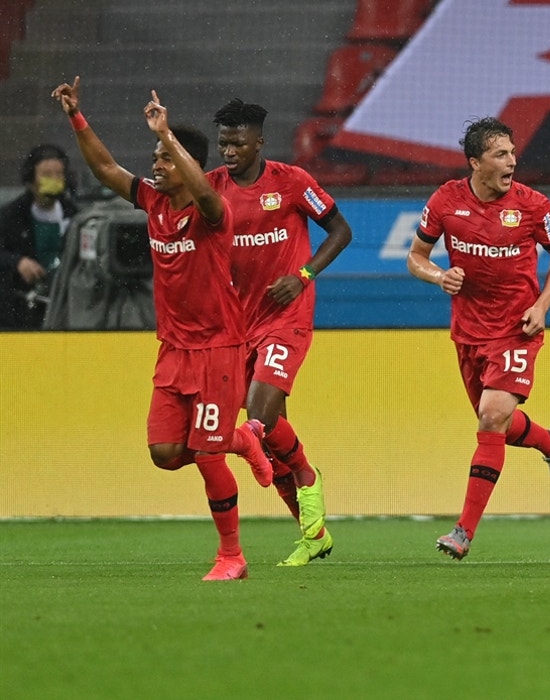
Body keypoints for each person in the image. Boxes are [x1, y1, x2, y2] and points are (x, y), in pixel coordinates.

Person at [52, 77, 272, 580]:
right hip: (174, 350)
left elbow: (202, 188)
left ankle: (231, 556)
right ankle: (243, 440)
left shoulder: (214, 210)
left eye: (165, 158)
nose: (155, 165)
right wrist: (76, 117)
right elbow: (106, 169)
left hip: (219, 348)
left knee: (204, 452)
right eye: (155, 157)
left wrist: (170, 135)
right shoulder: (152, 203)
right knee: (166, 454)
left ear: (190, 165)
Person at [407, 117, 550, 561]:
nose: (512, 161)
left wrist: (542, 307)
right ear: (475, 162)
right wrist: (440, 276)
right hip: (468, 333)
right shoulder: (446, 200)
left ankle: (463, 531)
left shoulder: (533, 205)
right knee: (497, 424)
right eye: (501, 155)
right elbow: (415, 257)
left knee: (492, 415)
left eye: (513, 152)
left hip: (517, 330)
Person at [209, 98, 353, 567]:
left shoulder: (291, 182)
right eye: (223, 143)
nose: (229, 150)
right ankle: (313, 534)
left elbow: (340, 230)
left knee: (260, 415)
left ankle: (309, 476)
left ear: (259, 142)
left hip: (287, 316)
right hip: (239, 322)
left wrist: (304, 275)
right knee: (270, 439)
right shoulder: (212, 190)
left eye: (237, 142)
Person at [0, 144, 79, 329]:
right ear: (30, 179)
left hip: (64, 306)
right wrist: (17, 262)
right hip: (19, 309)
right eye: (46, 175)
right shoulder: (10, 216)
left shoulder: (75, 215)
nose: (53, 180)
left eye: (58, 174)